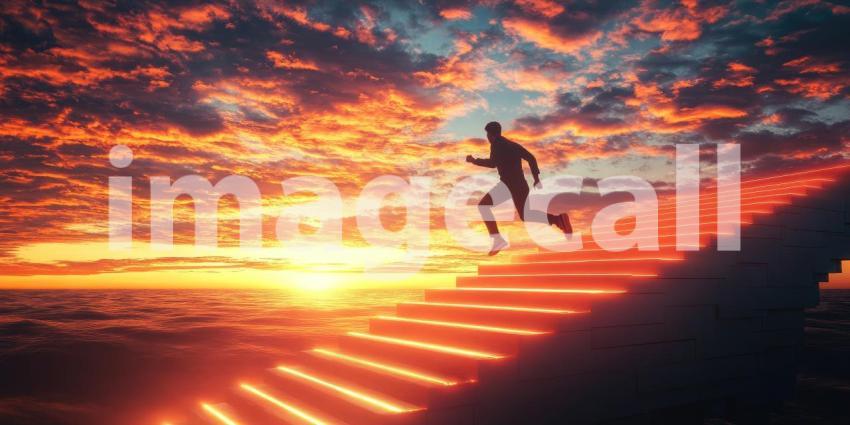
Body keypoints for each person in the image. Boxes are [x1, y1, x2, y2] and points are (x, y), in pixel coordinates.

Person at [466, 121, 572, 255]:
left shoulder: (497, 144)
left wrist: (474, 160)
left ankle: (497, 239)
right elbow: (531, 158)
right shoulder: (512, 144)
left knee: (483, 205)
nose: (487, 137)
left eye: (487, 134)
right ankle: (557, 219)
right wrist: (536, 178)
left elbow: (492, 164)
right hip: (520, 184)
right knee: (525, 215)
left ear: (491, 134)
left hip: (508, 185)